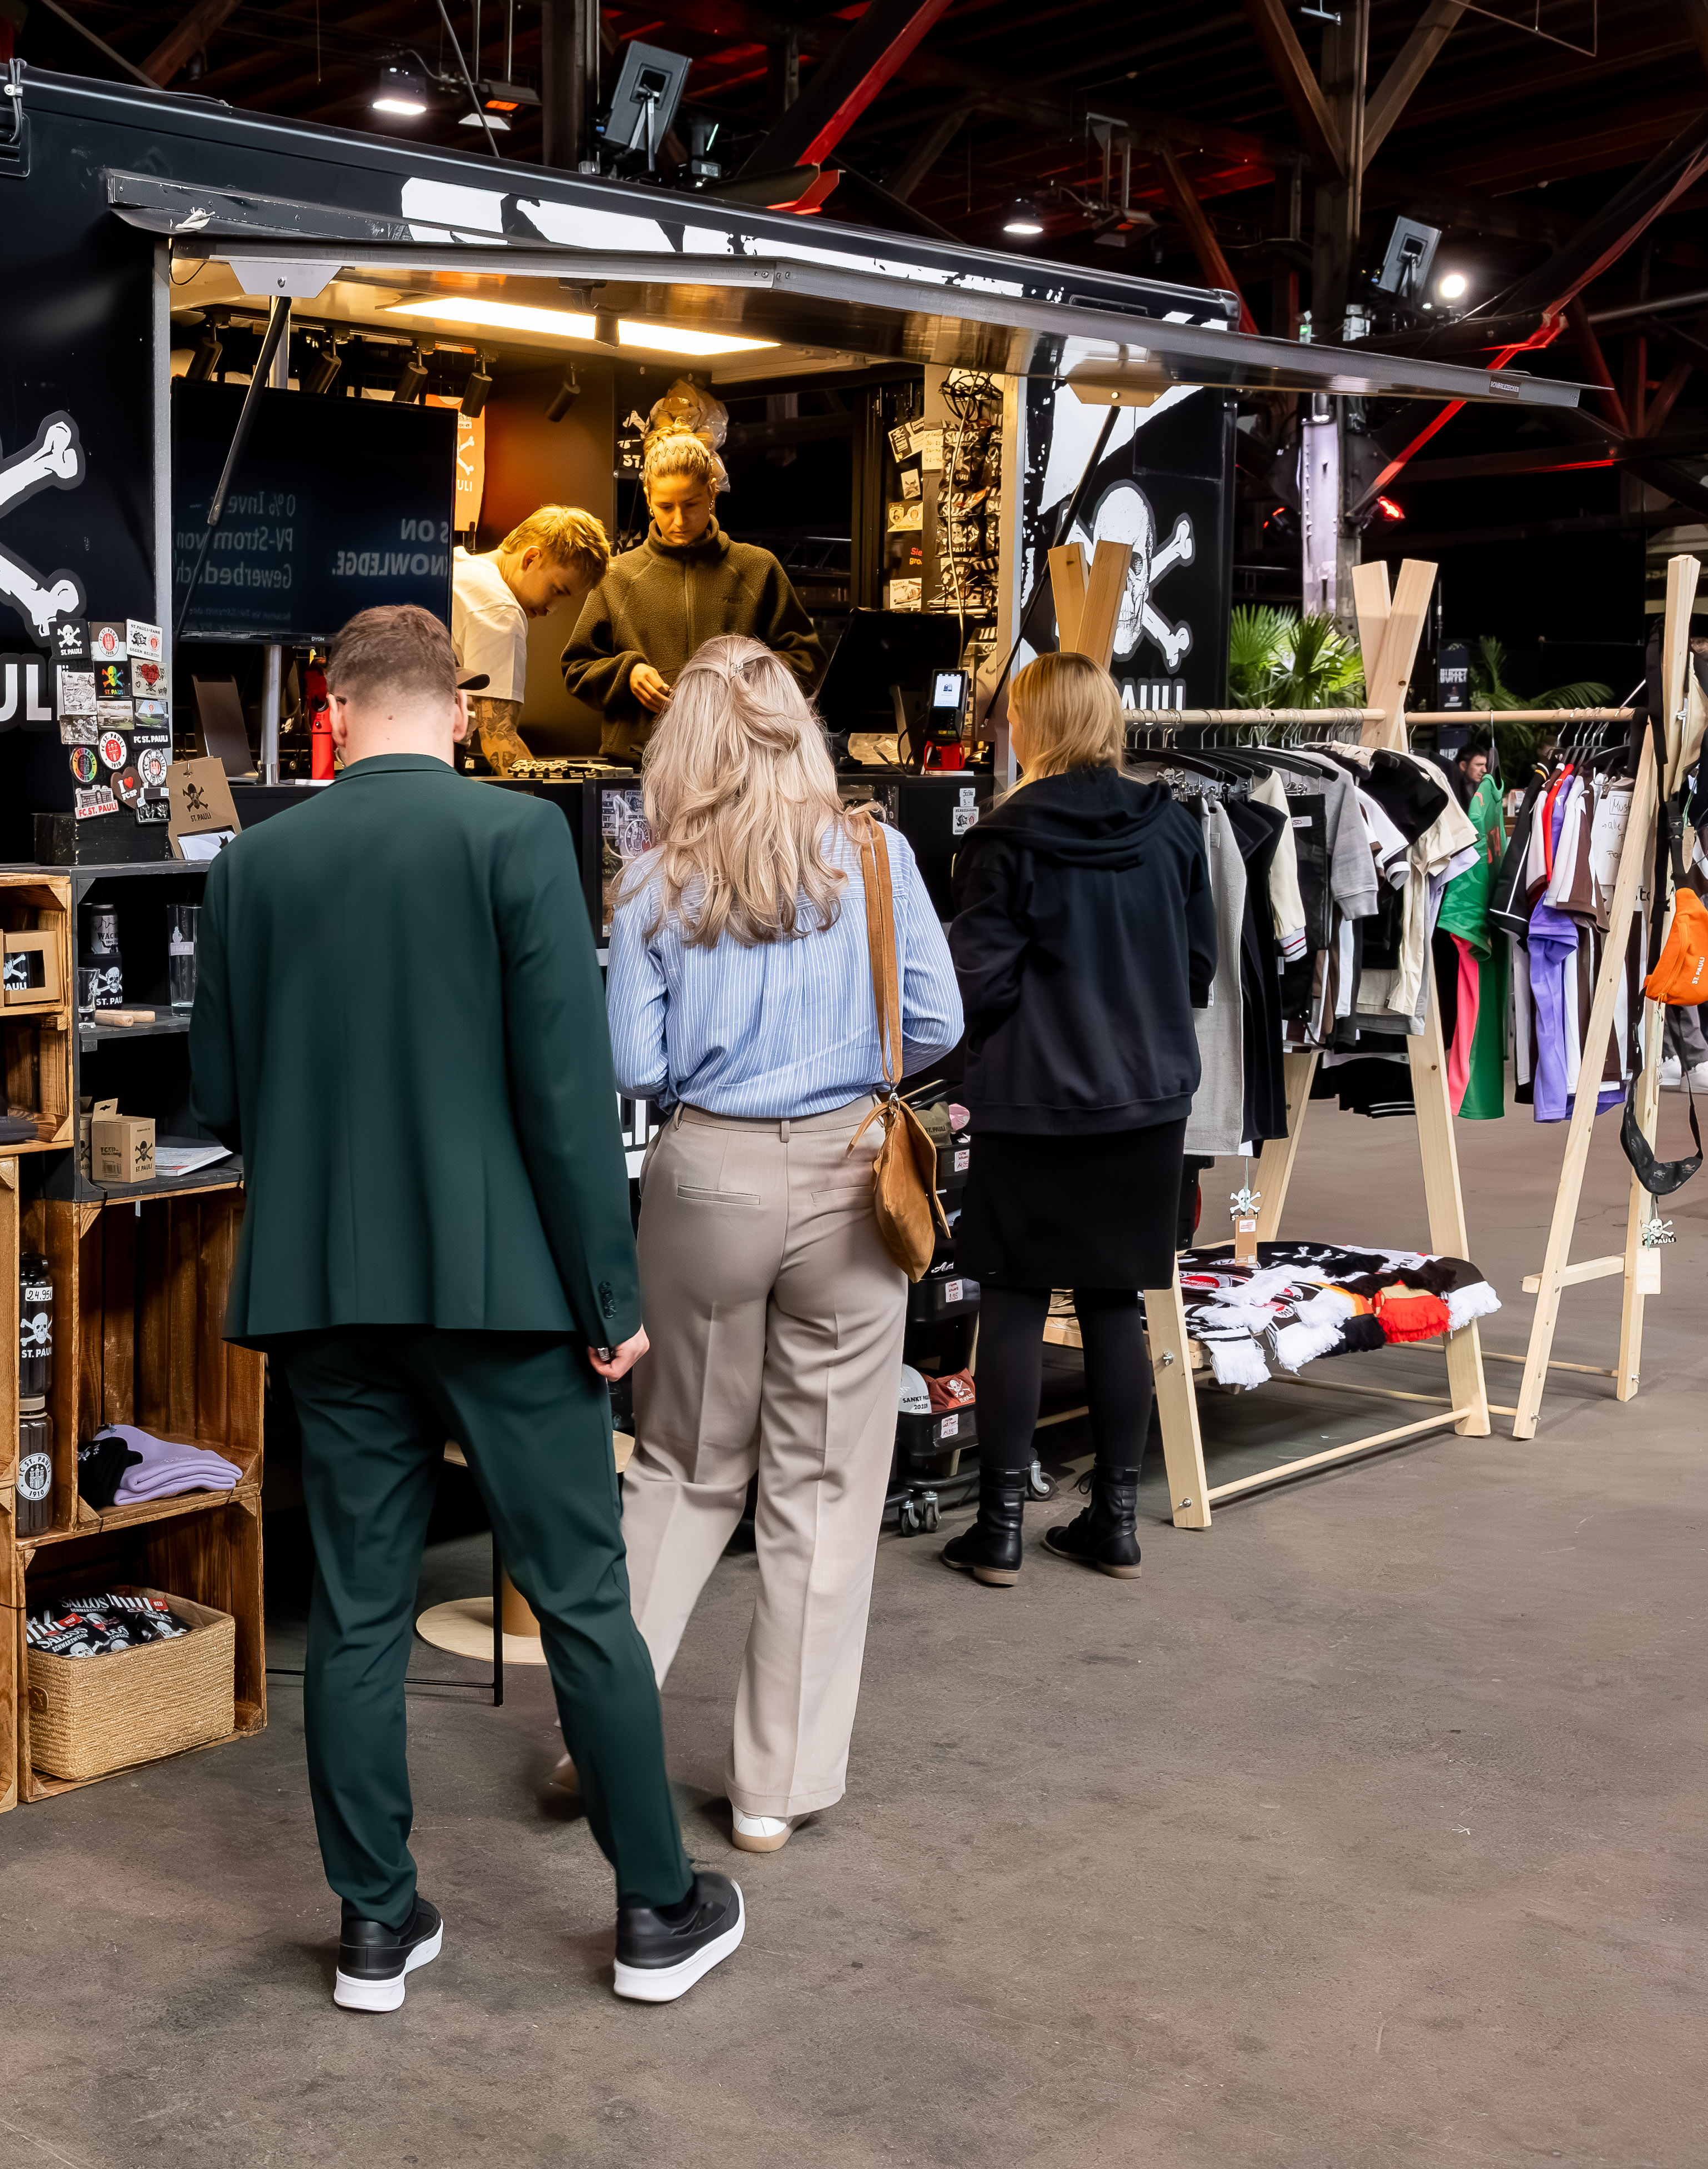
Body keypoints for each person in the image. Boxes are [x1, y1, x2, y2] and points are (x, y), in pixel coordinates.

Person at [189, 602, 744, 2017]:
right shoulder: (514, 838)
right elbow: (566, 1096)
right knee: (582, 1597)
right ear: (458, 709)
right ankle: (654, 1908)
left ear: (333, 711)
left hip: (324, 1289)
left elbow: (220, 1096)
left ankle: (374, 1927)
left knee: (356, 1611)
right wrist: (608, 1293)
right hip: (503, 1290)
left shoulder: (254, 862)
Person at [599, 636, 961, 1852]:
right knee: (823, 1489)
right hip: (854, 1173)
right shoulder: (875, 855)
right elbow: (937, 1019)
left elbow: (633, 1063)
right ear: (800, 732)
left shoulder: (652, 882)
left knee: (681, 1468)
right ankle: (773, 1791)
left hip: (707, 1177)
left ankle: (601, 1741)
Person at [940, 652, 1214, 1585]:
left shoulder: (1001, 838)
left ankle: (999, 1529)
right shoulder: (1174, 827)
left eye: (1013, 715)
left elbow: (977, 983)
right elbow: (1197, 969)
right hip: (1145, 1100)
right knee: (1114, 1300)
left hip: (1031, 1099)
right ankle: (1116, 1523)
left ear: (1034, 724)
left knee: (1014, 1300)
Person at [562, 430, 821, 763]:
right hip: (641, 764)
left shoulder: (757, 568)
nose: (679, 521)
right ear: (648, 498)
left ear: (712, 492)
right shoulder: (617, 577)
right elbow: (577, 668)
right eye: (665, 507)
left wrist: (744, 681)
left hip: (738, 762)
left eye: (691, 504)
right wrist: (627, 674)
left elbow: (806, 660)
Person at [450, 507, 611, 774]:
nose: (551, 609)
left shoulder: (457, 567)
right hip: (427, 757)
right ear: (531, 558)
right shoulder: (500, 609)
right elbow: (500, 740)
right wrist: (547, 799)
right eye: (557, 590)